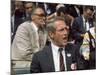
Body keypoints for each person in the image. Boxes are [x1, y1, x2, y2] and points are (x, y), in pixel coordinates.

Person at [11, 7, 47, 74]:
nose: (44, 18)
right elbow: (24, 53)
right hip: (21, 62)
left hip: (36, 62)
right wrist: (42, 60)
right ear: (33, 17)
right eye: (41, 15)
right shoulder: (24, 27)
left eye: (44, 15)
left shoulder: (43, 30)